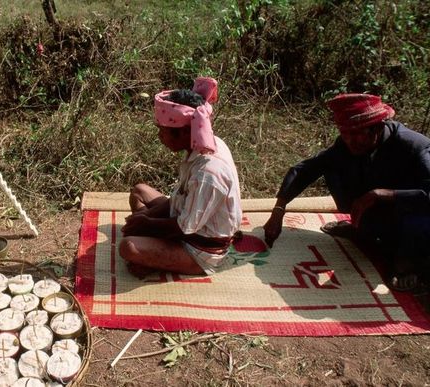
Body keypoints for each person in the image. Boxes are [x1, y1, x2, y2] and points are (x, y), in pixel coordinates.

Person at [263, 93, 430, 291]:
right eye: (344, 133)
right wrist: (279, 208)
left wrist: (381, 194)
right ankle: (365, 231)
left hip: (414, 217)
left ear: (376, 127)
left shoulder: (415, 146)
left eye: (357, 133)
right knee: (333, 165)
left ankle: (411, 265)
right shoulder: (348, 144)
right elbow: (305, 169)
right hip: (383, 213)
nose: (350, 140)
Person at [119, 77, 242, 275]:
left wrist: (147, 224)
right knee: (139, 192)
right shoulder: (203, 145)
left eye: (163, 131)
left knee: (128, 247)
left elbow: (185, 227)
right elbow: (180, 197)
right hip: (186, 220)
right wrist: (147, 217)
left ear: (185, 131)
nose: (160, 136)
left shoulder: (208, 173)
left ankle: (153, 256)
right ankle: (151, 252)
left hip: (200, 248)